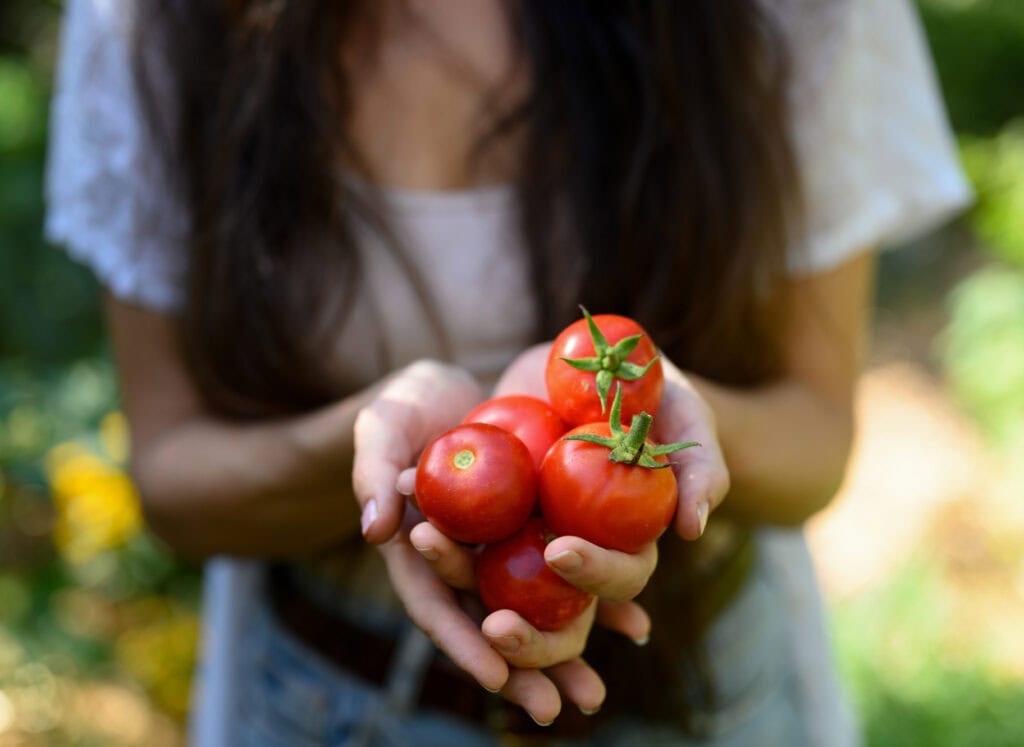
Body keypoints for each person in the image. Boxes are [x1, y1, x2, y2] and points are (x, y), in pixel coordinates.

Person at [45, 0, 971, 744]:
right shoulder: (153, 19)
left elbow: (816, 442)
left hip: (705, 693)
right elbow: (173, 483)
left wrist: (689, 436)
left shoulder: (790, 14)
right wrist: (376, 454)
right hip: (323, 698)